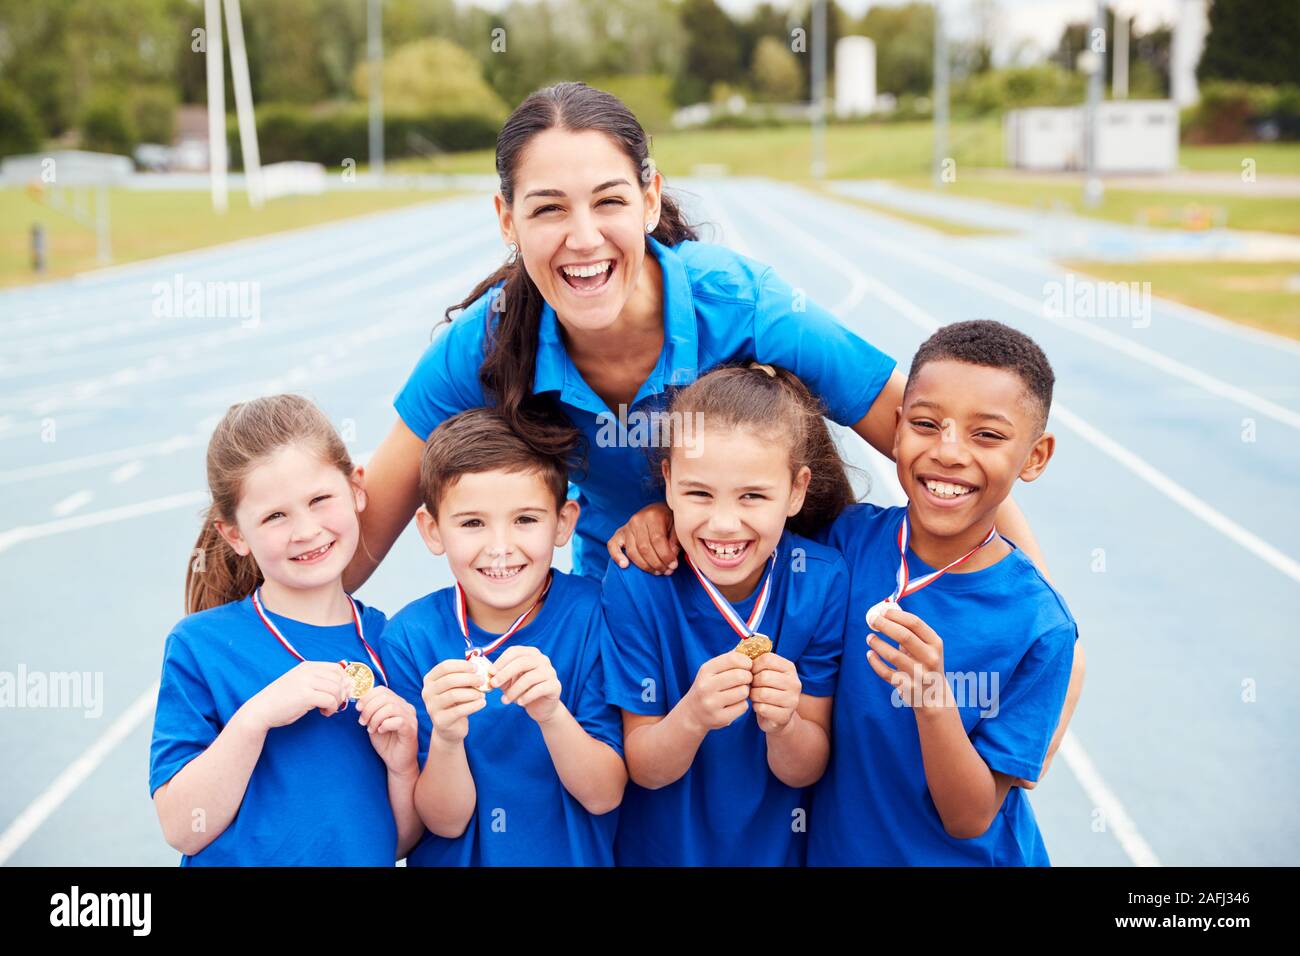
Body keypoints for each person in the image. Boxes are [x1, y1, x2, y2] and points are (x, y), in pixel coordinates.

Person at [808, 320, 1078, 865]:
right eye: (928, 425)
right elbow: (739, 524)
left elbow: (969, 817)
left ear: (1036, 457)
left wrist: (933, 700)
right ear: (899, 426)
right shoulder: (844, 540)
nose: (950, 452)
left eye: (988, 435)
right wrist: (655, 519)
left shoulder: (1039, 626)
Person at [149, 395, 422, 865]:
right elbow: (181, 828)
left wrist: (402, 767)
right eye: (275, 516)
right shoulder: (200, 647)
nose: (305, 530)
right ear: (235, 534)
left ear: (357, 488)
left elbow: (397, 842)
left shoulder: (394, 644)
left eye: (319, 500)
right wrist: (256, 718)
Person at [601, 363, 849, 865]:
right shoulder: (637, 585)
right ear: (668, 483)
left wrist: (785, 726)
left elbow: (806, 767)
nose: (724, 523)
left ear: (797, 490)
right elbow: (643, 765)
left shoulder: (822, 582)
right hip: (662, 854)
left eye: (753, 496)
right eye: (699, 493)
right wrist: (692, 716)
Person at [382, 408, 626, 866]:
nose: (500, 546)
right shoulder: (408, 640)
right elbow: (444, 822)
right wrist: (448, 738)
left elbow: (604, 794)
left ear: (564, 522)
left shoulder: (595, 614)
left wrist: (552, 714)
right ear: (432, 530)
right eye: (472, 523)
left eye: (525, 520)